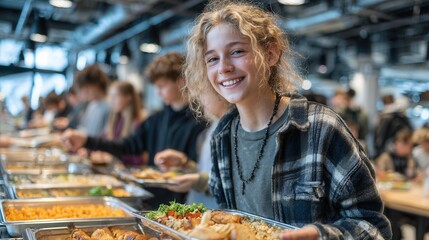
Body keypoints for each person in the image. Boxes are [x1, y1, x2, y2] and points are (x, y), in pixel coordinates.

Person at [184, 2, 391, 239]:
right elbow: (228, 217)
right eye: (212, 59)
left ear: (270, 54)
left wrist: (322, 235)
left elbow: (373, 227)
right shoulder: (222, 135)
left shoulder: (320, 129)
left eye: (237, 52)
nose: (224, 68)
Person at [61, 52, 207, 205]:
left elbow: (205, 173)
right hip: (152, 204)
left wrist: (184, 163)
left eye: (162, 86)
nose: (157, 92)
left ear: (181, 81)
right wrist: (86, 140)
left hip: (187, 208)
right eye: (156, 87)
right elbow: (126, 145)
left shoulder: (201, 122)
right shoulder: (155, 121)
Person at [155, 90, 230, 209]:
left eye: (202, 92)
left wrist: (199, 181)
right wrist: (184, 163)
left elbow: (233, 181)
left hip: (216, 215)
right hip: (200, 210)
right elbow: (210, 170)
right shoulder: (212, 128)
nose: (198, 99)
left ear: (221, 94)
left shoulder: (232, 129)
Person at [74, 64, 111, 137]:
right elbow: (85, 128)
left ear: (97, 84)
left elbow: (107, 136)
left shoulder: (109, 106)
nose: (85, 93)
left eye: (87, 88)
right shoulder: (92, 104)